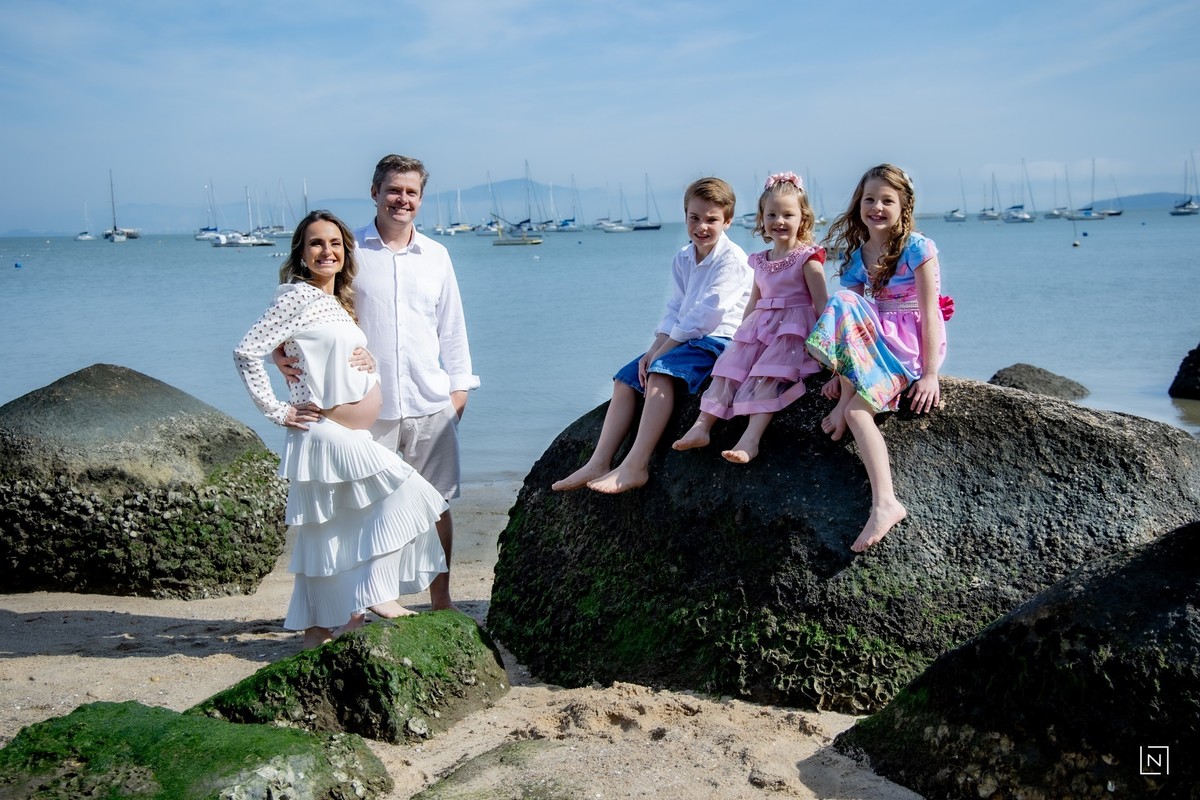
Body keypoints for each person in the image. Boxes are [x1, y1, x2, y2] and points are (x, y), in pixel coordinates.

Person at [235, 210, 448, 648]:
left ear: (346, 252)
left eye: (335, 243)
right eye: (316, 243)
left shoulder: (336, 301)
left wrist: (369, 359)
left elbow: (324, 354)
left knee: (335, 529)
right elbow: (245, 352)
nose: (326, 251)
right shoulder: (297, 296)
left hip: (346, 433)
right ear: (301, 252)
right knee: (410, 494)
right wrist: (277, 410)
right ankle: (373, 597)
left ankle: (323, 627)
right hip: (321, 429)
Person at [278, 155, 478, 611]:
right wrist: (281, 352)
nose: (401, 199)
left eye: (411, 192)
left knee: (436, 504)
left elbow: (452, 329)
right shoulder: (350, 251)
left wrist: (459, 393)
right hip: (366, 405)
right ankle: (374, 597)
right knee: (368, 507)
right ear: (375, 193)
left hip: (431, 402)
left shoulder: (437, 256)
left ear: (420, 199)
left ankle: (441, 600)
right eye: (393, 190)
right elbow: (309, 306)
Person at [552, 177, 752, 494]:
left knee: (660, 373)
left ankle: (636, 465)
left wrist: (663, 353)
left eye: (712, 219)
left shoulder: (733, 261)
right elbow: (675, 310)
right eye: (694, 218)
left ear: (727, 221)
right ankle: (599, 461)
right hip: (685, 337)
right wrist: (653, 349)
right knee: (626, 378)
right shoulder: (683, 257)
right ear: (685, 216)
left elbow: (705, 317)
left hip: (718, 339)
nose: (702, 226)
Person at [804, 164, 951, 553]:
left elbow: (930, 312)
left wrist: (930, 374)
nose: (877, 207)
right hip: (877, 345)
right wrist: (839, 375)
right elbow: (849, 328)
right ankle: (845, 394)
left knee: (855, 413)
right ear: (859, 205)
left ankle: (885, 503)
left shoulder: (917, 248)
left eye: (888, 200)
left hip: (907, 349)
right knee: (843, 300)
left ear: (904, 207)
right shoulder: (857, 258)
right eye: (870, 199)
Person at [673, 172, 828, 463]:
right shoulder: (760, 260)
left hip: (792, 332)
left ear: (803, 219)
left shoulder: (808, 259)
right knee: (728, 369)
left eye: (788, 214)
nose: (779, 221)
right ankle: (701, 426)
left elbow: (823, 306)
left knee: (767, 376)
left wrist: (826, 350)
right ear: (761, 218)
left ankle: (750, 440)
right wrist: (740, 340)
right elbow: (753, 304)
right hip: (761, 328)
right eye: (772, 214)